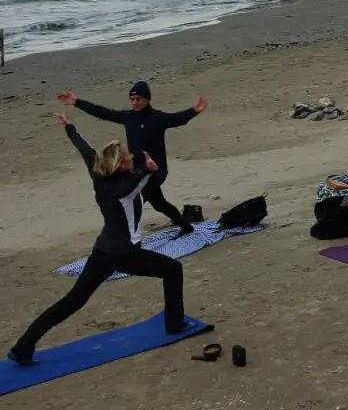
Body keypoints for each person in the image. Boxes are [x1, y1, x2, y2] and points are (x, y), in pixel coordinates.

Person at [8, 113, 188, 366]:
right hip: (126, 254)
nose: (131, 156)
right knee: (173, 270)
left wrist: (69, 127)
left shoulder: (99, 175)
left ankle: (22, 347)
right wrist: (149, 170)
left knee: (73, 301)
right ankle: (175, 325)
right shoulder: (124, 188)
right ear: (119, 163)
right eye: (127, 156)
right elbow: (140, 179)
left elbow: (85, 149)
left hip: (103, 252)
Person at [57, 82, 207, 239]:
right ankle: (186, 227)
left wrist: (194, 110)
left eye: (138, 99)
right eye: (132, 99)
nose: (134, 102)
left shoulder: (158, 118)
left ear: (147, 99)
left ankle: (127, 238)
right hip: (138, 171)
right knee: (159, 203)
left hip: (156, 171)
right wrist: (77, 102)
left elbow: (178, 119)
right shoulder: (127, 117)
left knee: (136, 201)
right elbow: (103, 113)